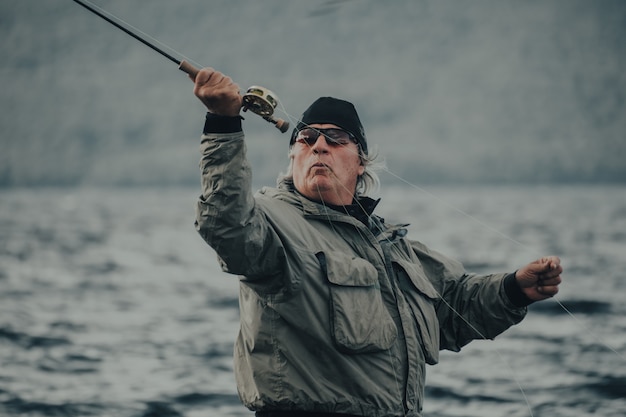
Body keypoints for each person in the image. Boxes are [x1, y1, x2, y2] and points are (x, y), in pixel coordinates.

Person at [190, 68, 563, 417]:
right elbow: (228, 226)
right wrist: (224, 124)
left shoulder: (396, 248)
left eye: (335, 138)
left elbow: (456, 307)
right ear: (293, 156)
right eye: (306, 138)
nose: (319, 145)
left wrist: (515, 289)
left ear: (361, 161)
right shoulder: (271, 222)